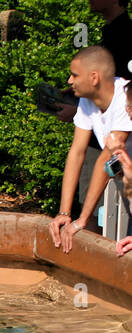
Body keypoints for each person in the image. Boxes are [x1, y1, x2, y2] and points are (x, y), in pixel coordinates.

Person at [49, 47, 132, 253]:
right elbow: (77, 152)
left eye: (75, 75)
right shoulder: (86, 101)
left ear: (94, 77)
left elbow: (107, 160)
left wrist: (81, 221)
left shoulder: (125, 100)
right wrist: (65, 213)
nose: (69, 81)